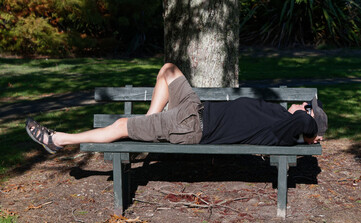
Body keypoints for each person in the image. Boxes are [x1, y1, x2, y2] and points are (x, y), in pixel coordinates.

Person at [26, 63, 328, 154]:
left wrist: (314, 132)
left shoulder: (285, 129)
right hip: (194, 110)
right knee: (168, 70)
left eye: (307, 107)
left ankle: (58, 140)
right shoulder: (281, 119)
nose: (303, 105)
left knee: (119, 125)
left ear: (306, 120)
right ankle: (146, 126)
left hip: (192, 126)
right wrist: (305, 115)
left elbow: (307, 125)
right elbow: (304, 119)